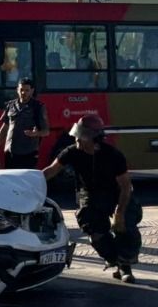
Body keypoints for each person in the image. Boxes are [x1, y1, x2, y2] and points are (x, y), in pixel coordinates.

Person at [42, 115, 142, 283]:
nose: (76, 139)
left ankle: (125, 266)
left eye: (81, 136)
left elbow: (125, 186)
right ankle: (114, 260)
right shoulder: (72, 151)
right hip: (90, 194)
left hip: (116, 194)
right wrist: (30, 181)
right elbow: (51, 170)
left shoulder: (113, 155)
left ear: (93, 138)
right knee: (95, 233)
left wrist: (120, 213)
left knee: (126, 228)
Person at [0, 77, 50, 170]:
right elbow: (4, 128)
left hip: (28, 153)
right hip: (10, 152)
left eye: (27, 90)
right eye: (21, 90)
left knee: (26, 181)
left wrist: (36, 133)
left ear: (32, 91)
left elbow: (46, 131)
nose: (23, 93)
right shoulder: (10, 105)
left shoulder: (38, 107)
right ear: (17, 90)